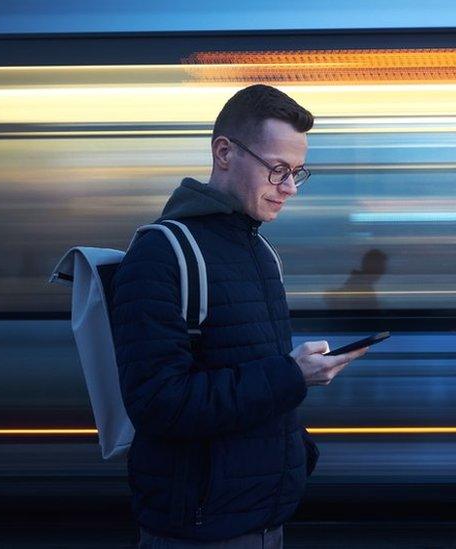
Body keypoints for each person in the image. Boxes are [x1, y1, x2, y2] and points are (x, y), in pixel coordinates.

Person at [109, 84, 368, 548]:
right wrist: (292, 376)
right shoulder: (162, 254)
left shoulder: (262, 254)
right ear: (224, 152)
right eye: (277, 170)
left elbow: (249, 373)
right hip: (199, 529)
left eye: (297, 172)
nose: (289, 188)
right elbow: (159, 403)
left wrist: (296, 449)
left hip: (263, 518)